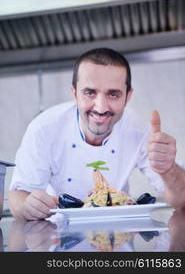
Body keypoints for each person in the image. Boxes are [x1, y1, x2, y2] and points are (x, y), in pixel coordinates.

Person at [8, 48, 185, 221]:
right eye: (89, 92)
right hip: (59, 230)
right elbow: (18, 197)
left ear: (128, 96)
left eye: (113, 94)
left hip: (118, 231)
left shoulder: (138, 130)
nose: (101, 108)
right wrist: (27, 207)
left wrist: (169, 170)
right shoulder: (44, 128)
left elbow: (181, 200)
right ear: (74, 94)